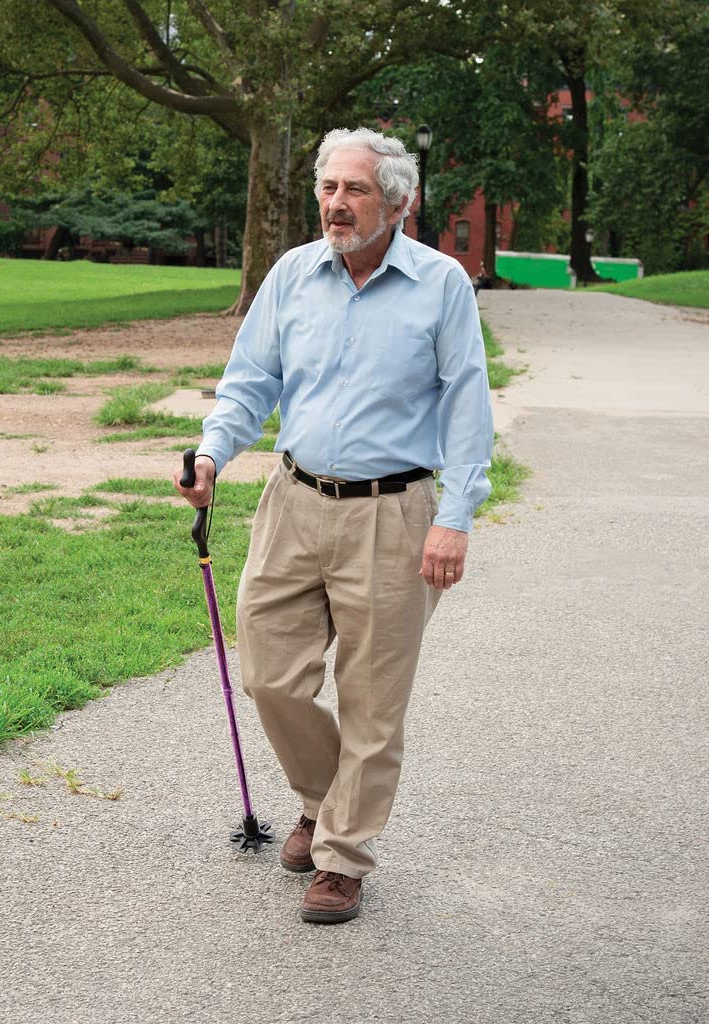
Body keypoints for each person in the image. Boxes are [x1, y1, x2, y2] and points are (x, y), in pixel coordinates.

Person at [174, 127, 494, 924]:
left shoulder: (440, 285)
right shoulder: (292, 276)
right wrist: (213, 453)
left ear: (397, 202)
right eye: (328, 188)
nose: (336, 204)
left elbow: (466, 407)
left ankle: (343, 856)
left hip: (395, 512)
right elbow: (250, 382)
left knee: (372, 701)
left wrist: (454, 518)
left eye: (354, 190)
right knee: (269, 673)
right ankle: (323, 800)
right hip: (294, 500)